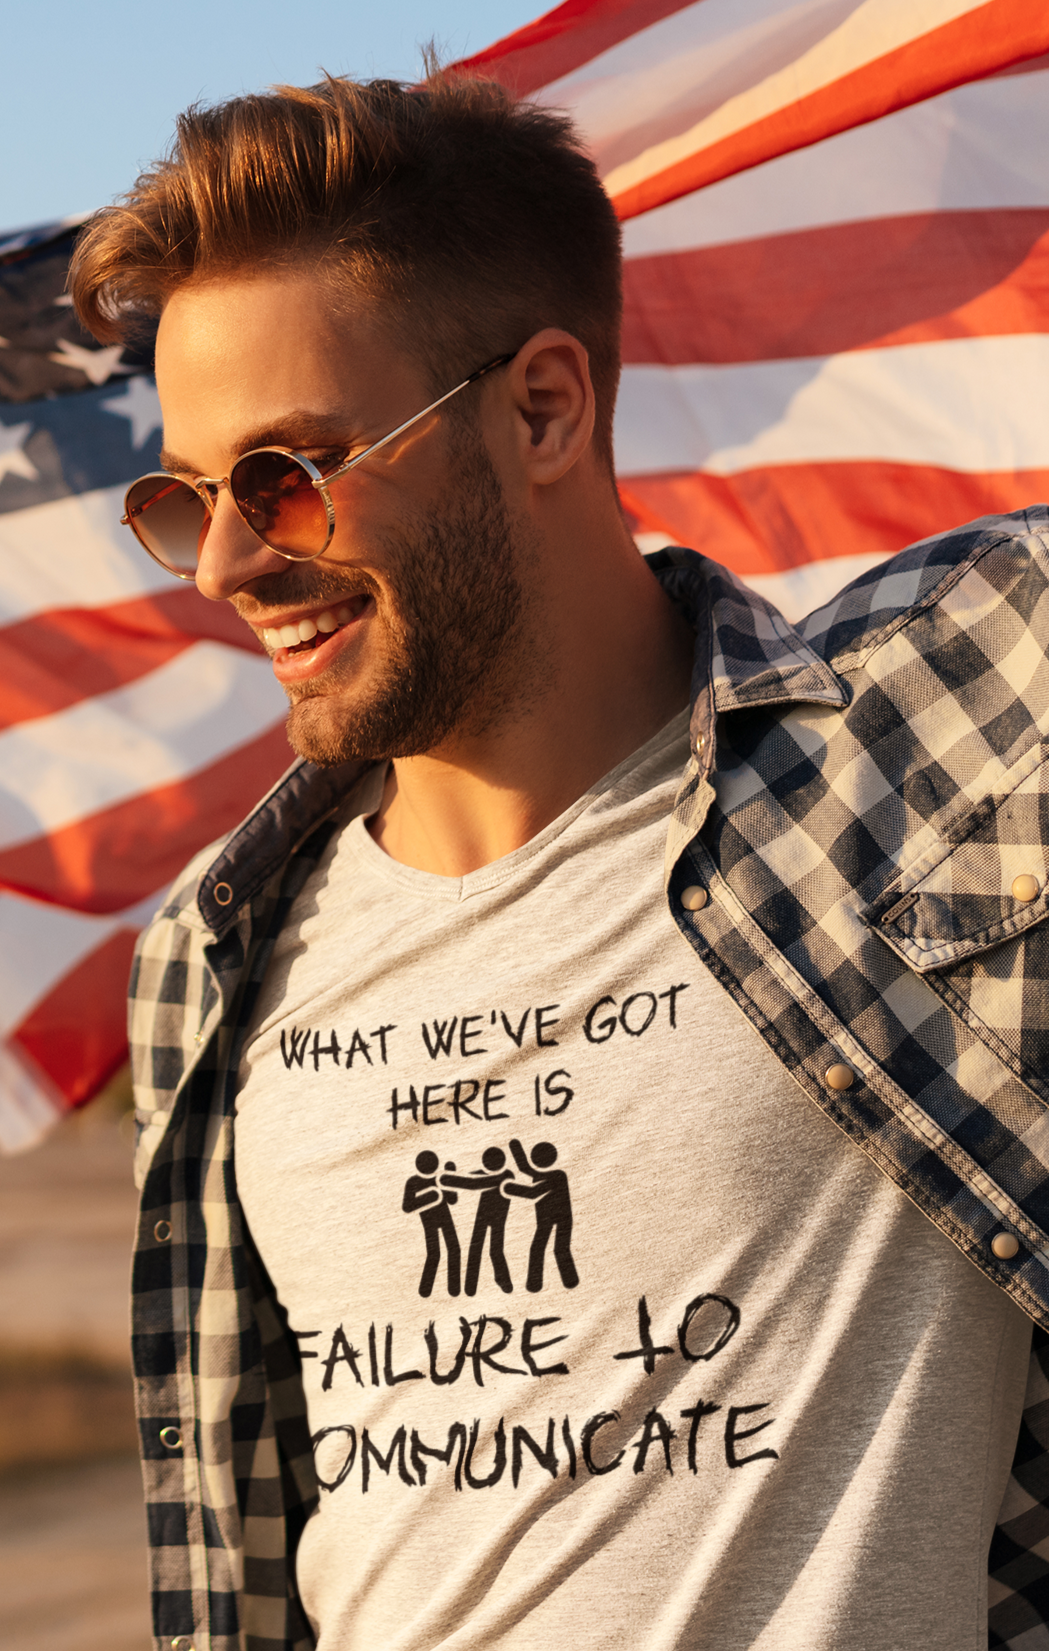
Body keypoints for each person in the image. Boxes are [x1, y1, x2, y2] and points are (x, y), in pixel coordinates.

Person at [70, 68, 1049, 1651]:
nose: (234, 561)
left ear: (544, 407)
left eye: (288, 474)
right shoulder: (210, 953)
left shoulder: (931, 734)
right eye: (185, 498)